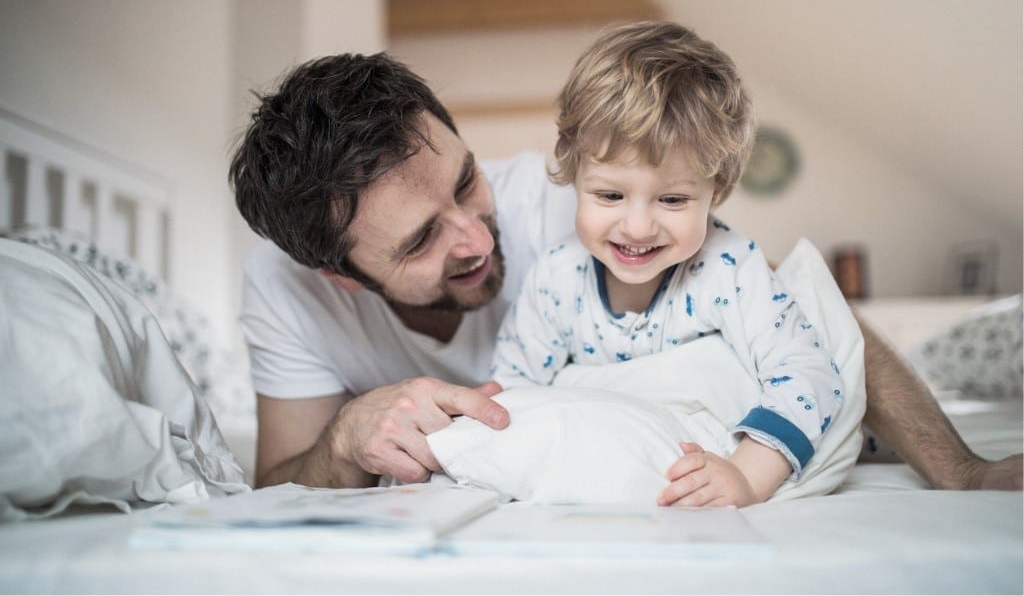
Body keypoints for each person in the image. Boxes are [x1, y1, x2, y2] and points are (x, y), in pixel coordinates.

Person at [228, 45, 1022, 493]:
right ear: (338, 275)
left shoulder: (569, 208)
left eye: (466, 181)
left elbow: (814, 326)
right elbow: (281, 480)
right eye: (420, 241)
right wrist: (350, 441)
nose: (475, 237)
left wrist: (964, 472)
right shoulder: (284, 291)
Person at [489, 21, 844, 507]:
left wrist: (745, 478)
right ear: (574, 176)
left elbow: (808, 374)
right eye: (610, 195)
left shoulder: (729, 267)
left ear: (715, 190)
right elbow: (510, 394)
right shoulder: (554, 278)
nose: (637, 228)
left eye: (673, 199)